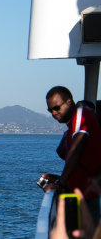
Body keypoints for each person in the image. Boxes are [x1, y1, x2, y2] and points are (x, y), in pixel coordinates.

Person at [42, 86, 101, 226]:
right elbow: (82, 162)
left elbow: (76, 151)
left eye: (57, 107)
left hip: (91, 198)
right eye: (50, 110)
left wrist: (61, 183)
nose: (54, 113)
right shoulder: (71, 127)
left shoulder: (81, 115)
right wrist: (58, 178)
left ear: (69, 102)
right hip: (83, 197)